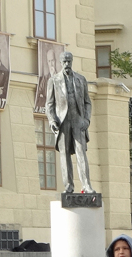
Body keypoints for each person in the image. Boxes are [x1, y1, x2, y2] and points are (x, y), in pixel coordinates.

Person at [45, 51, 92, 193]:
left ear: (72, 62)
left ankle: (86, 186)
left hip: (78, 119)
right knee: (64, 154)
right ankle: (68, 187)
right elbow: (49, 104)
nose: (67, 64)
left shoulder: (81, 79)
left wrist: (87, 119)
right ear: (60, 63)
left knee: (81, 152)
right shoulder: (53, 80)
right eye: (64, 62)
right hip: (62, 121)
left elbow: (87, 102)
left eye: (69, 61)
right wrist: (52, 120)